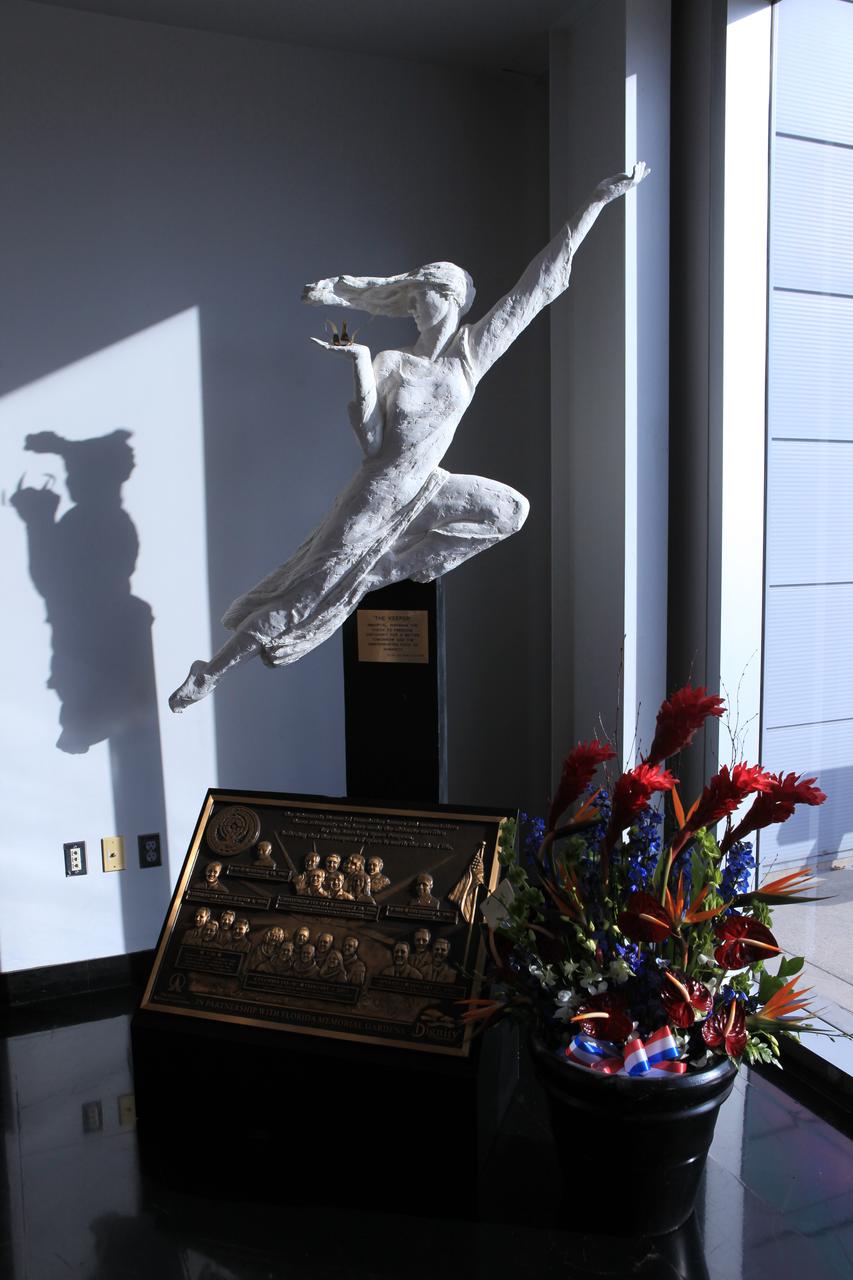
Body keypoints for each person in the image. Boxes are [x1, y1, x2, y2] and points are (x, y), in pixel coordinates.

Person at [168, 166, 649, 711]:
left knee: (510, 511)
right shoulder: (393, 360)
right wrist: (358, 364)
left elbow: (538, 286)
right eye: (413, 296)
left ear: (452, 299)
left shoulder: (470, 354)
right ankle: (211, 671)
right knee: (306, 593)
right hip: (377, 494)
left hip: (429, 487)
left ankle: (386, 570)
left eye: (427, 296)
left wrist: (597, 201)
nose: (417, 306)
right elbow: (372, 443)